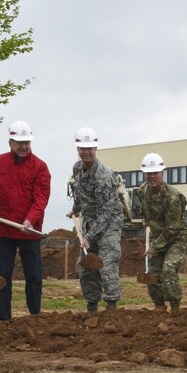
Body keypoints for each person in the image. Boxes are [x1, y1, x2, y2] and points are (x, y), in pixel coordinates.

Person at [0, 120, 51, 321]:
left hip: (29, 231)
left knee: (34, 276)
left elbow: (41, 198)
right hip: (4, 229)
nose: (24, 146)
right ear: (10, 142)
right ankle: (3, 319)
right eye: (19, 142)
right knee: (2, 277)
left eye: (27, 142)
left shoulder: (40, 167)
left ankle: (35, 317)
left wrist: (30, 220)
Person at [68, 127, 123, 313]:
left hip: (109, 225)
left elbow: (106, 214)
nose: (86, 152)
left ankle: (111, 307)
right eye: (83, 148)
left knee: (107, 264)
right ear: (77, 149)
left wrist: (88, 237)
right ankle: (92, 306)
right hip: (90, 221)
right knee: (87, 266)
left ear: (96, 148)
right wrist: (75, 209)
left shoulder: (104, 176)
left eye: (90, 148)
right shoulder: (77, 168)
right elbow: (79, 190)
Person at [138, 152, 187, 313]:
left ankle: (175, 307)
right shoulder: (142, 191)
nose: (152, 177)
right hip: (157, 236)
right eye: (148, 174)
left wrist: (154, 247)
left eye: (155, 173)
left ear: (162, 173)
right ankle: (159, 306)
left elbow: (173, 229)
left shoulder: (173, 197)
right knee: (152, 273)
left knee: (168, 270)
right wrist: (146, 219)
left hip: (176, 238)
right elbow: (145, 212)